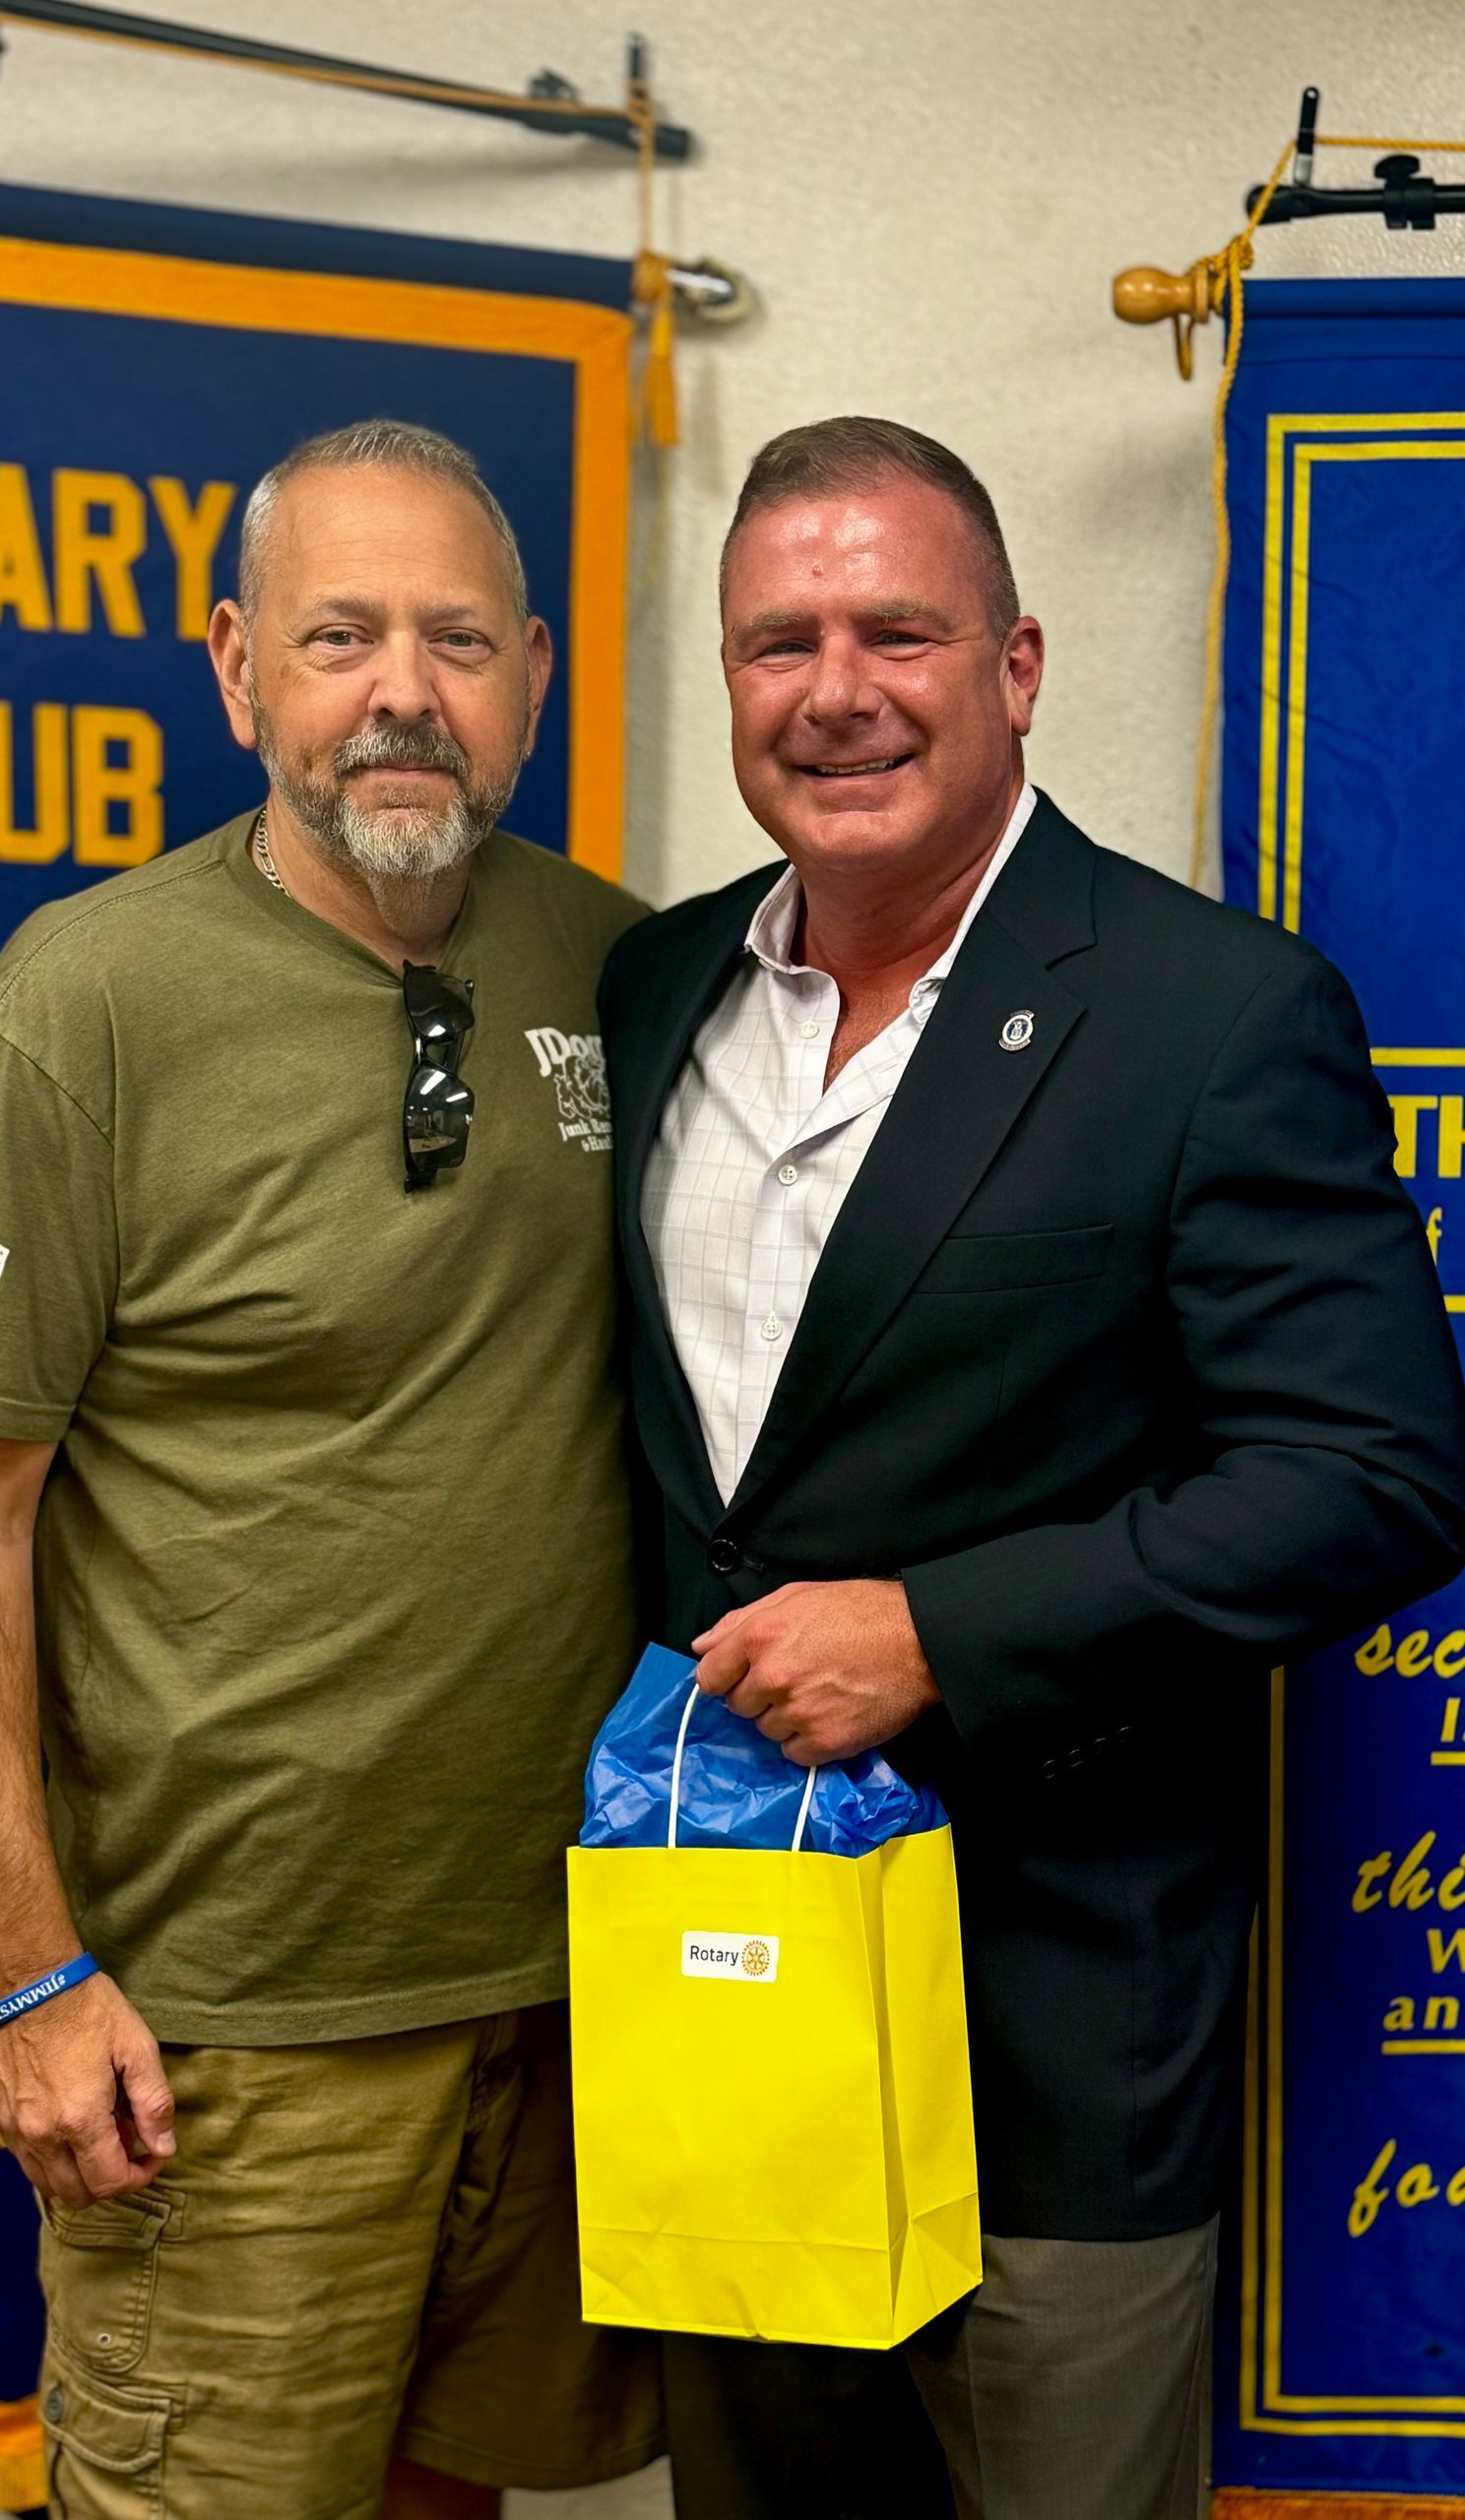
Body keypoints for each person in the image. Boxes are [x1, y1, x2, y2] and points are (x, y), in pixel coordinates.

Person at [598, 414, 1465, 2520]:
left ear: (1018, 661)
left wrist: (943, 1632)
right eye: (777, 640)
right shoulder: (646, 991)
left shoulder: (1208, 1010)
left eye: (900, 627)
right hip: (730, 2007)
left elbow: (1378, 1465)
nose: (837, 688)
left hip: (1055, 2037)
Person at [0, 419, 660, 2520]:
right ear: (235, 671)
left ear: (536, 674)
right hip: (227, 2036)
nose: (405, 686)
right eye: (341, 632)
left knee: (453, 2499)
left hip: (566, 1992)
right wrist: (24, 1969)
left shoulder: (625, 966)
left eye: (460, 634)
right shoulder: (82, 1004)